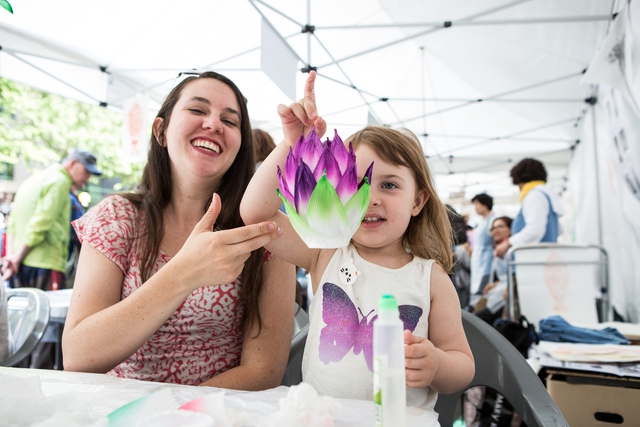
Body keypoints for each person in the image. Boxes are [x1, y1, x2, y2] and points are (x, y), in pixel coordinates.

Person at [240, 72, 474, 415]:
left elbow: (463, 365)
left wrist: (437, 364)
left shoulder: (430, 277)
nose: (370, 198)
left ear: (418, 201)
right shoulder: (325, 251)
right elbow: (254, 212)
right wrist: (292, 143)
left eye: (389, 185)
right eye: (359, 181)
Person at [62, 72, 296, 389]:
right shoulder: (117, 217)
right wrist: (183, 273)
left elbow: (264, 371)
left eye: (230, 121)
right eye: (198, 110)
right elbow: (77, 357)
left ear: (241, 146)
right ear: (161, 130)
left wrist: (175, 414)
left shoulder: (264, 231)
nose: (213, 124)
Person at [2, 148, 101, 290]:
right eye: (86, 171)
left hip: (20, 264)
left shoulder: (35, 179)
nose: (88, 177)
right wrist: (15, 258)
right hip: (44, 264)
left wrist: (12, 258)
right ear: (73, 163)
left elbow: (12, 222)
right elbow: (41, 222)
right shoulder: (59, 182)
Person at [495, 159, 564, 258]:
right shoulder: (546, 195)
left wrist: (508, 244)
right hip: (546, 258)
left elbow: (535, 229)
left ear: (520, 182)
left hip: (534, 261)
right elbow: (559, 230)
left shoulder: (534, 195)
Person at [473, 216, 513, 325]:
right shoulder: (497, 250)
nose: (496, 230)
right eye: (494, 228)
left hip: (505, 295)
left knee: (479, 319)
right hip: (500, 292)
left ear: (510, 229)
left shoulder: (512, 251)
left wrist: (508, 287)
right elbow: (505, 276)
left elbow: (513, 276)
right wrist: (495, 284)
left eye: (500, 226)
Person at [469, 193, 494, 306]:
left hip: (486, 259)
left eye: (477, 204)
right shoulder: (482, 222)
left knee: (483, 286)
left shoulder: (492, 220)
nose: (476, 207)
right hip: (478, 259)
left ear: (485, 204)